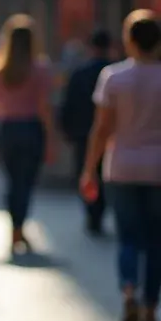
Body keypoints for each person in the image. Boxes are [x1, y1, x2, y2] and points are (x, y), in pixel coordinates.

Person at [80, 10, 161, 321]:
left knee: (127, 236)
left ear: (129, 40)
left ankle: (128, 292)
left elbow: (101, 129)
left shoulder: (113, 77)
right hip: (158, 169)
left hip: (121, 166)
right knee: (156, 241)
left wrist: (89, 169)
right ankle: (149, 308)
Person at [0, 14, 55, 256]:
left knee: (12, 181)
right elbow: (45, 107)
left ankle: (15, 229)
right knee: (27, 181)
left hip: (6, 128)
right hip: (31, 127)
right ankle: (19, 227)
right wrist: (50, 139)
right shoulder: (41, 67)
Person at [61, 28, 113, 235]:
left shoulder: (79, 73)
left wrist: (66, 128)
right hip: (110, 134)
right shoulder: (112, 71)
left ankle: (92, 212)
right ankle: (99, 212)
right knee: (104, 174)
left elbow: (69, 103)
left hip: (82, 132)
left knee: (86, 172)